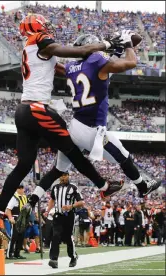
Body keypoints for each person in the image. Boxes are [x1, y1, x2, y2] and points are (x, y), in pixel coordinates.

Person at [0, 14, 124, 240]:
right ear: (37, 28)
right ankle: (103, 185)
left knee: (23, 166)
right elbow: (74, 52)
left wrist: (88, 68)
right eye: (45, 25)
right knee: (71, 149)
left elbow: (64, 68)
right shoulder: (40, 40)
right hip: (38, 110)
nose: (48, 28)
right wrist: (105, 45)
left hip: (23, 111)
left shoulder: (32, 50)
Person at [19, 32, 161, 230]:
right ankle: (142, 187)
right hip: (91, 129)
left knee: (58, 169)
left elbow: (59, 67)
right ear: (93, 47)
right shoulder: (96, 60)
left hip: (75, 125)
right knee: (123, 156)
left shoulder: (74, 66)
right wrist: (128, 44)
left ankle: (32, 201)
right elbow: (130, 63)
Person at [47, 172, 84, 269]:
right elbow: (52, 199)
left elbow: (81, 202)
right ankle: (54, 259)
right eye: (62, 175)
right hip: (57, 215)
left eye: (65, 175)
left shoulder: (73, 187)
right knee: (55, 235)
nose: (63, 177)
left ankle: (73, 257)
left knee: (67, 237)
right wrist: (47, 211)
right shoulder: (55, 188)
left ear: (68, 176)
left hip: (69, 216)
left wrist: (70, 206)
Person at [5, 184, 27, 259]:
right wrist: (10, 218)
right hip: (16, 218)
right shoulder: (14, 198)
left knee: (21, 237)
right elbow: (8, 209)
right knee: (14, 237)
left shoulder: (24, 197)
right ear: (19, 189)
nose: (23, 190)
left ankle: (17, 253)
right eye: (22, 189)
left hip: (23, 219)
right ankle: (9, 254)